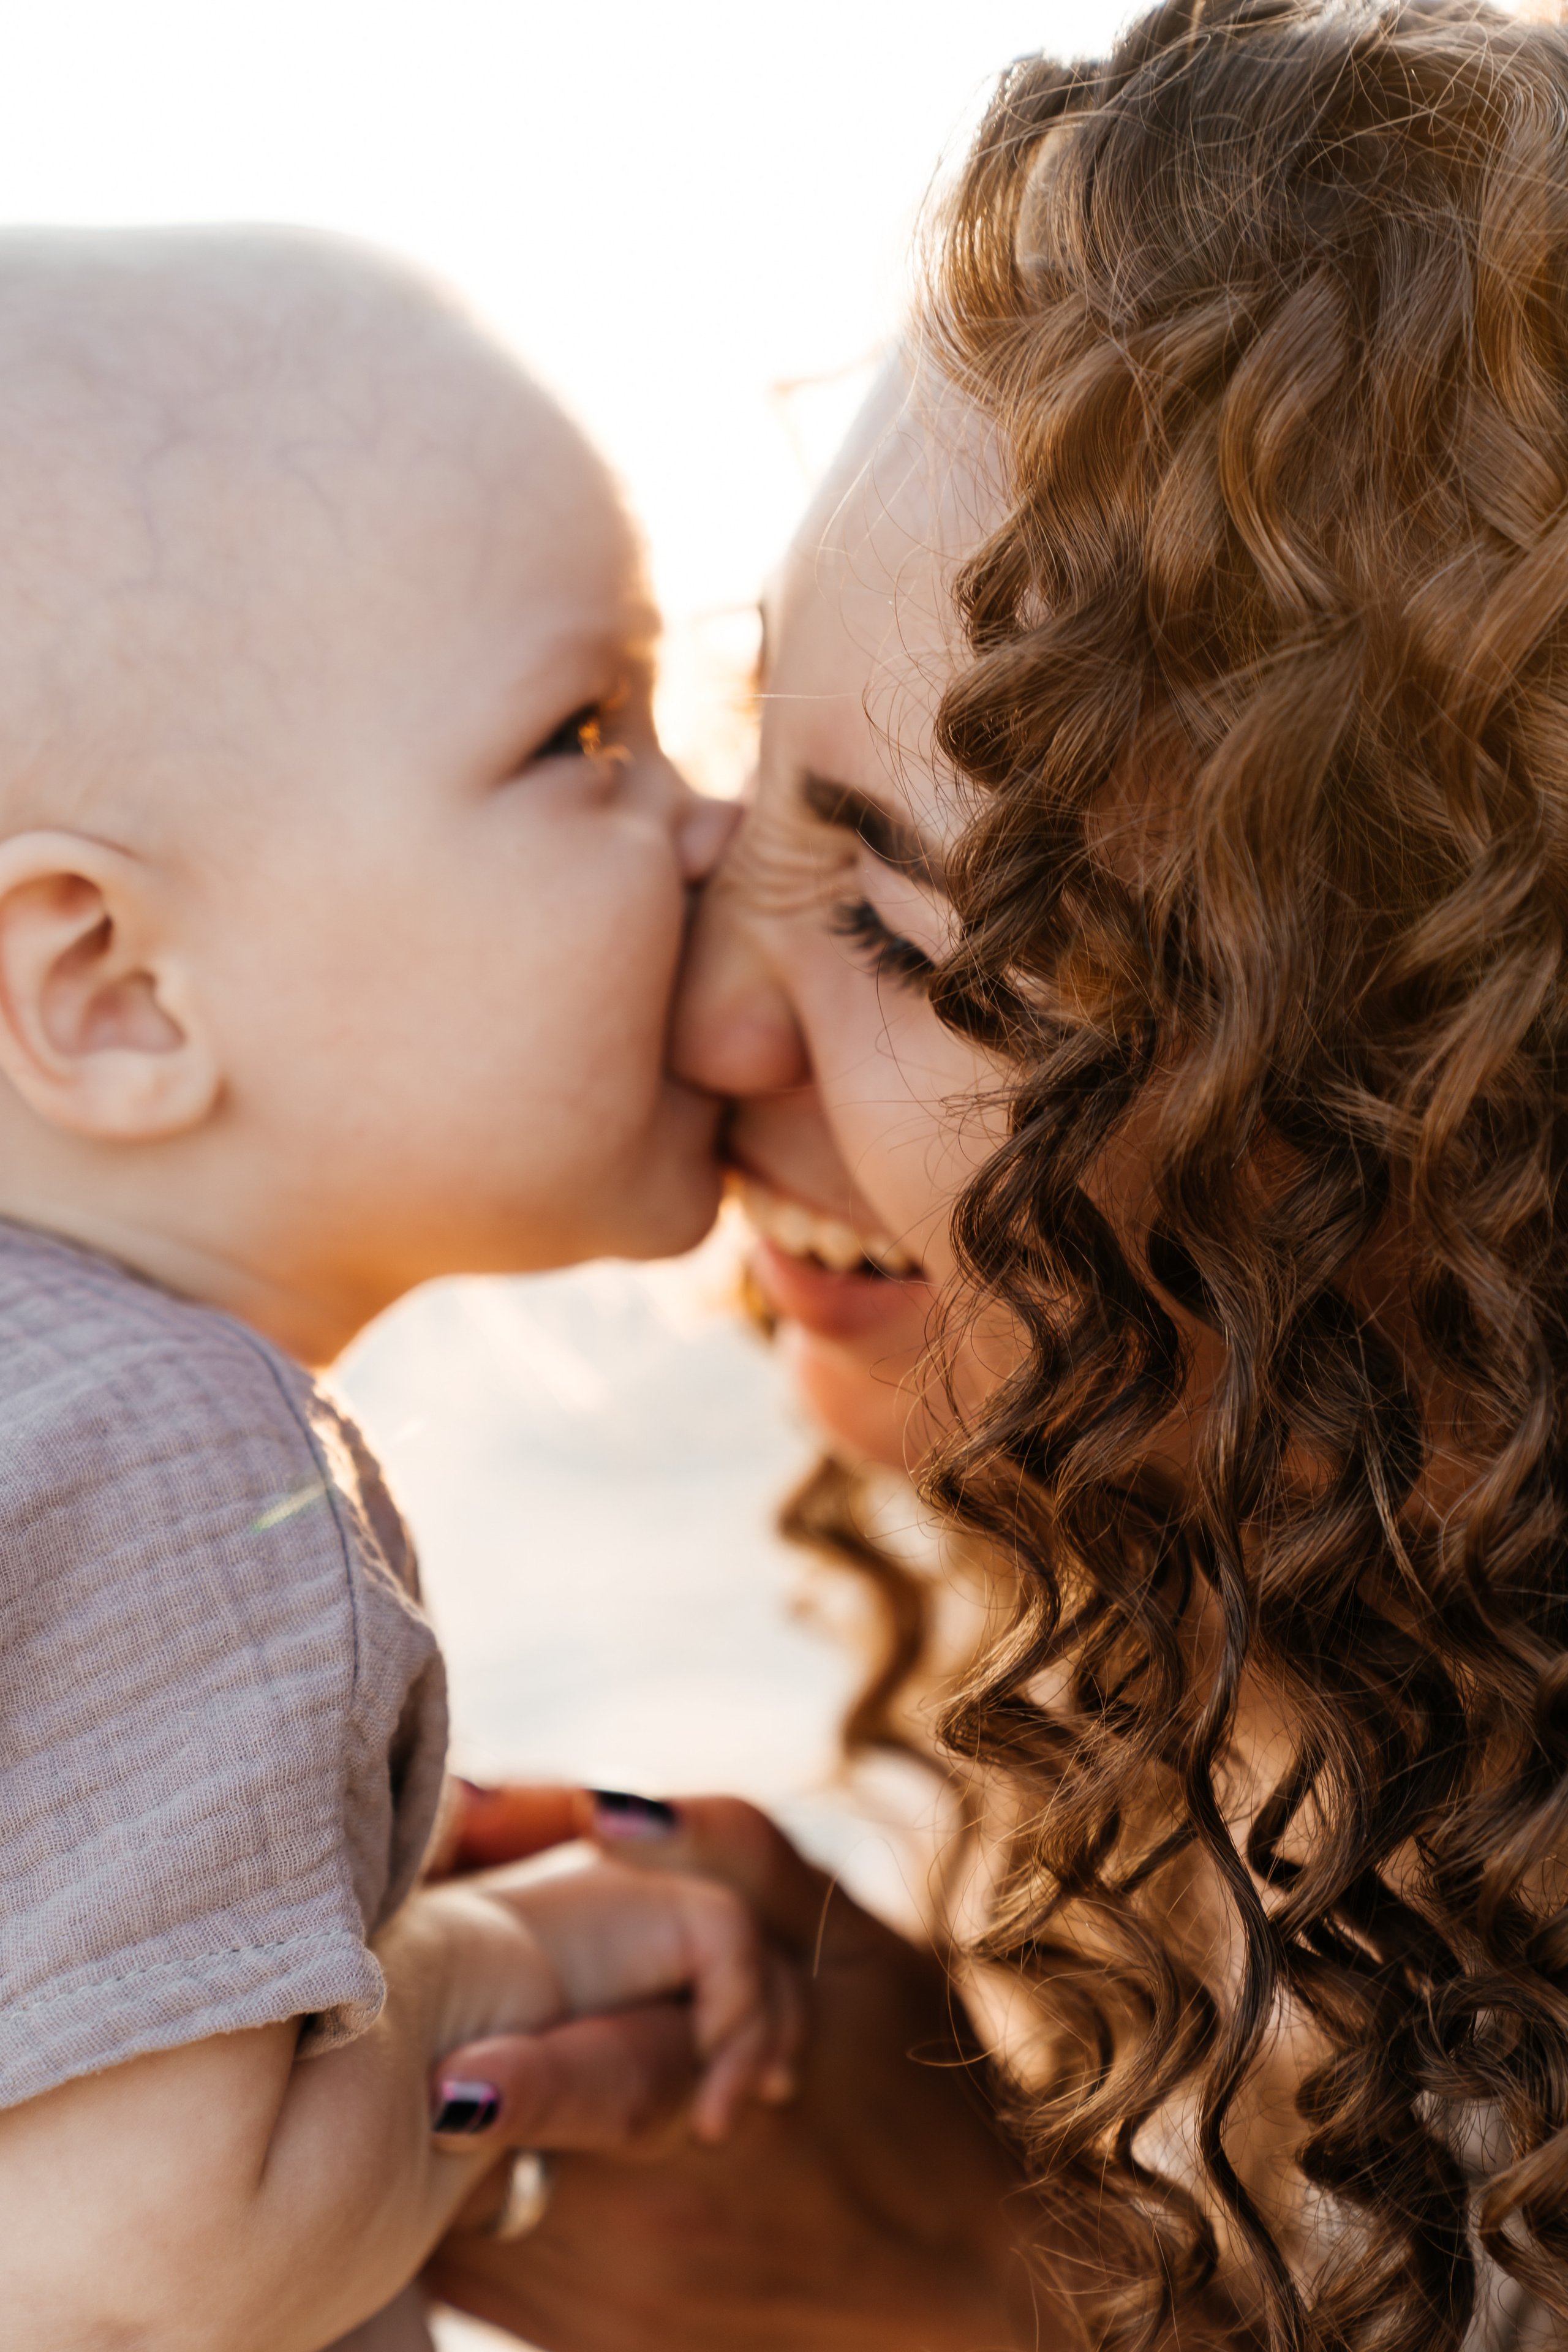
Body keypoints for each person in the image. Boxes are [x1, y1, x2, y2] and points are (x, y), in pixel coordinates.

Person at [431, 2, 1568, 2345]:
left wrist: (942, 2286)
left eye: (901, 928)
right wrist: (992, 2188)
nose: (703, 1022)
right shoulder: (1323, 1838)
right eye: (747, 774)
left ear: (1466, 1116)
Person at [0, 228, 809, 2352]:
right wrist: (511, 1962)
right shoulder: (190, 1446)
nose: (718, 824)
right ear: (108, 989)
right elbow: (141, 2269)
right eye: (583, 730)